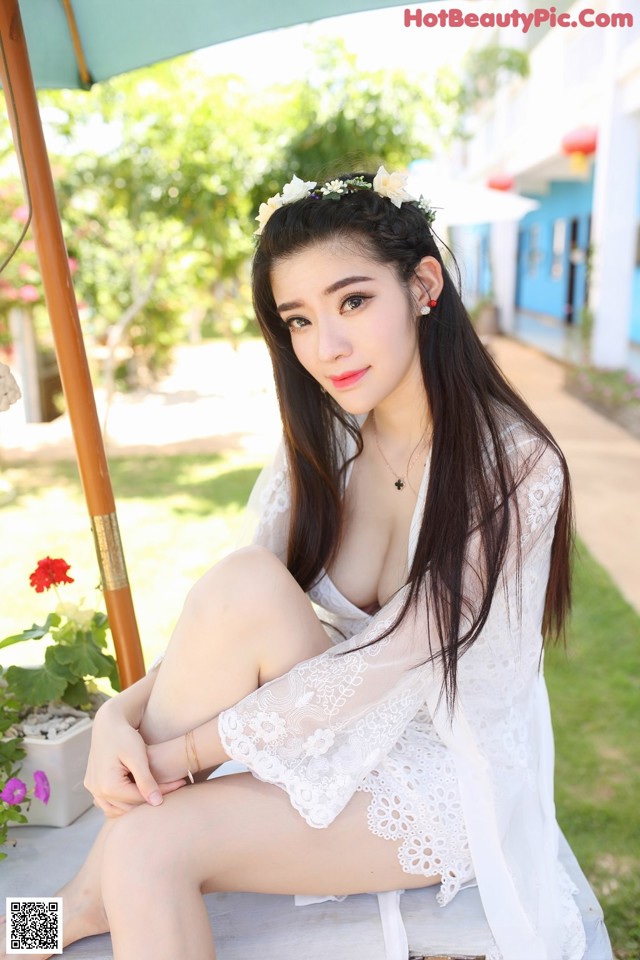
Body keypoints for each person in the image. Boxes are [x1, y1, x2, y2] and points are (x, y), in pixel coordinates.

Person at [1, 167, 587, 960]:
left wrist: (175, 758)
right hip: (331, 725)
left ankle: (77, 904)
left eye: (352, 302)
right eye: (299, 320)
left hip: (445, 775)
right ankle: (81, 903)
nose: (327, 346)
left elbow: (394, 657)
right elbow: (222, 628)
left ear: (422, 285)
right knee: (241, 579)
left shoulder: (515, 469)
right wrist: (118, 717)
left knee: (148, 844)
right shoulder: (325, 444)